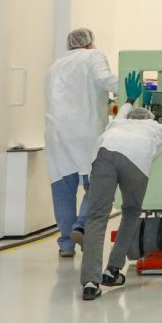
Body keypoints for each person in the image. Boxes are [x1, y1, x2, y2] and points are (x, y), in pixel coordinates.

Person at [79, 71, 162, 301]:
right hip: (136, 161)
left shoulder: (121, 121)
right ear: (150, 118)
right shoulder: (157, 128)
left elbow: (124, 109)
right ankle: (113, 269)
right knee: (131, 211)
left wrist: (131, 98)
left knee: (96, 218)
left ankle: (91, 283)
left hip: (104, 155)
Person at [44, 28, 118, 258]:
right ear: (90, 43)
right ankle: (82, 225)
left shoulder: (55, 65)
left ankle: (66, 244)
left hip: (56, 134)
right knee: (97, 181)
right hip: (85, 132)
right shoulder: (93, 56)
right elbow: (105, 80)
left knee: (62, 188)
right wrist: (132, 88)